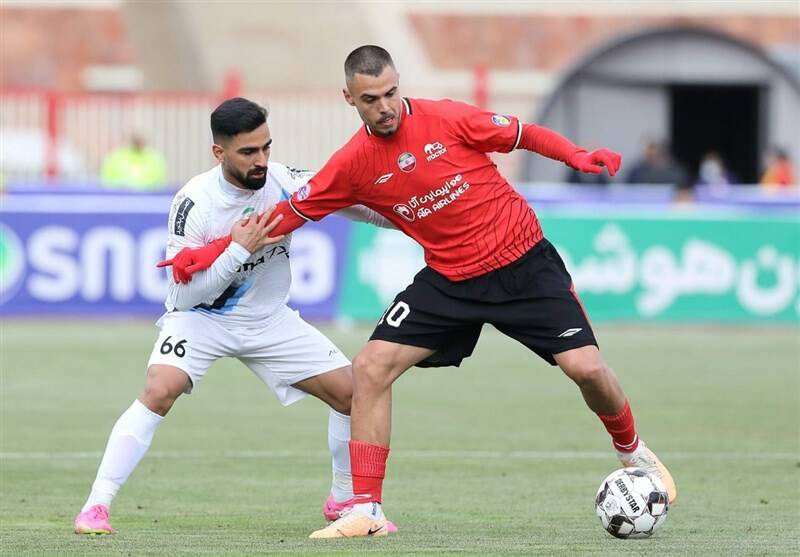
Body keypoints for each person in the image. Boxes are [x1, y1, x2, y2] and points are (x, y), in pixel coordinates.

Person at [160, 46, 678, 539]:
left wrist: (576, 155)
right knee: (370, 368)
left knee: (587, 370)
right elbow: (284, 215)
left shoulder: (447, 118)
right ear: (349, 99)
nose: (384, 106)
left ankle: (633, 452)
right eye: (370, 99)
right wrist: (205, 254)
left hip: (523, 263)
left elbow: (523, 133)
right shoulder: (351, 163)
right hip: (451, 280)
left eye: (390, 92)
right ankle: (365, 509)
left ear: (398, 84)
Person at [74, 97, 398, 535]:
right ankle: (96, 506)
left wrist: (413, 219)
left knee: (352, 393)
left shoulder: (282, 180)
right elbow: (182, 295)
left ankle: (342, 498)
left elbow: (355, 203)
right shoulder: (194, 202)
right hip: (202, 319)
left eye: (266, 147)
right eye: (248, 151)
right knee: (159, 389)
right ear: (219, 152)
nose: (261, 159)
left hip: (268, 319)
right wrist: (238, 250)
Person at [101, 133, 168, 190]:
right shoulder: (116, 157)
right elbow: (107, 181)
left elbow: (160, 182)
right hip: (121, 197)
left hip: (148, 197)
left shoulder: (154, 158)